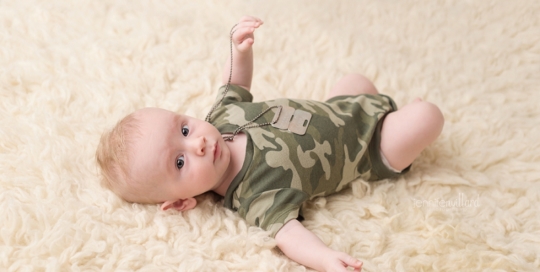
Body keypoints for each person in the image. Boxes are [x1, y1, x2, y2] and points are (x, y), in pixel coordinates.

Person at [96, 16, 444, 272]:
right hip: (370, 147)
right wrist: (324, 259)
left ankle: (381, 104)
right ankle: (405, 118)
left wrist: (238, 49)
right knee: (428, 116)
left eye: (184, 130)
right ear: (182, 203)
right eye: (180, 163)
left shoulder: (220, 118)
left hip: (340, 108)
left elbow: (234, 81)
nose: (198, 145)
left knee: (355, 80)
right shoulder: (254, 195)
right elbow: (288, 235)